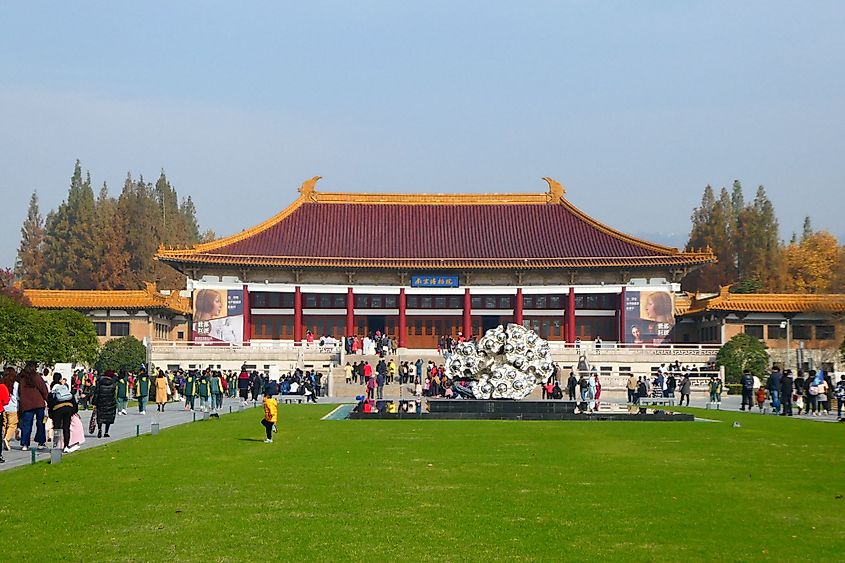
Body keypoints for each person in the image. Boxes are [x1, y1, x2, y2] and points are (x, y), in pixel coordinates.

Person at [18, 362, 48, 451]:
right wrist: (47, 399)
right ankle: (40, 442)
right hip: (38, 403)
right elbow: (43, 389)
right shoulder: (37, 377)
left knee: (26, 424)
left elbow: (19, 392)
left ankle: (25, 444)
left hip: (26, 404)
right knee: (40, 423)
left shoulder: (22, 379)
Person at [47, 374, 78, 453]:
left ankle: (56, 446)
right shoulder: (64, 388)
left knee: (57, 428)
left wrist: (51, 415)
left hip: (57, 409)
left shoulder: (53, 389)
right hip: (68, 408)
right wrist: (73, 411)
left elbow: (50, 403)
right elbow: (73, 400)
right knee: (66, 427)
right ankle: (66, 446)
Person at [92, 370, 117, 438]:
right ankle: (106, 432)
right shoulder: (113, 383)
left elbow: (96, 393)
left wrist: (94, 402)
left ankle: (100, 429)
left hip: (101, 402)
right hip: (110, 402)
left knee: (100, 417)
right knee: (108, 417)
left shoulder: (99, 383)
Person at [2, 366, 19, 454]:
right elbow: (17, 397)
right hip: (13, 407)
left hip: (4, 407)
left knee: (5, 424)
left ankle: (5, 440)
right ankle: (7, 438)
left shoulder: (2, 383)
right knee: (12, 424)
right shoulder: (15, 384)